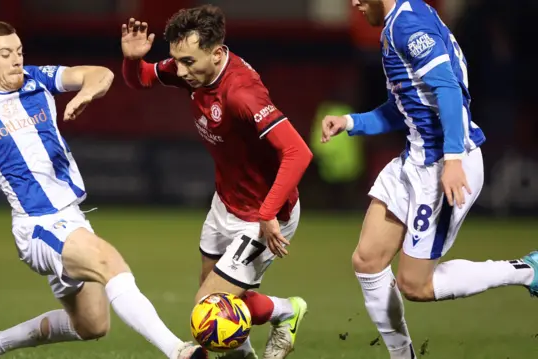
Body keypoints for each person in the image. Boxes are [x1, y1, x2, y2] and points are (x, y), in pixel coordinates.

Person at [0, 21, 207, 359]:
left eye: (18, 51)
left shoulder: (37, 79)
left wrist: (87, 91)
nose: (16, 59)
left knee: (91, 325)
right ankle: (178, 351)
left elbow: (99, 74)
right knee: (109, 261)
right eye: (5, 54)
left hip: (73, 218)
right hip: (38, 224)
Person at [321, 1, 538, 358]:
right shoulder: (400, 21)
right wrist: (352, 122)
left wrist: (452, 160)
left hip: (442, 165)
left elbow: (447, 88)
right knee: (368, 259)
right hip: (416, 159)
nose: (354, 4)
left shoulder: (408, 25)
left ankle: (526, 271)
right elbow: (406, 106)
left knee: (414, 284)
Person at [121, 5, 312, 359]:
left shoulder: (242, 94)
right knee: (219, 303)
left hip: (265, 213)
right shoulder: (193, 67)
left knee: (206, 310)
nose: (179, 70)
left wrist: (268, 214)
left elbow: (298, 152)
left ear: (217, 53)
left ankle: (287, 311)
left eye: (188, 62)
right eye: (176, 60)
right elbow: (143, 78)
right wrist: (133, 60)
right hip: (226, 202)